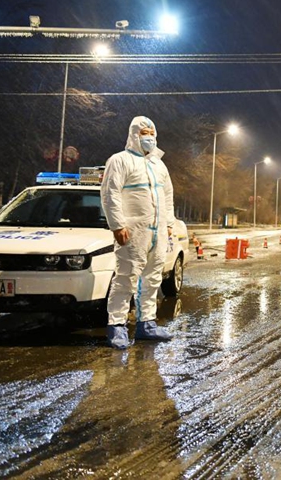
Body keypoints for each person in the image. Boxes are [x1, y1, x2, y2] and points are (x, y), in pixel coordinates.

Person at [101, 116, 176, 349]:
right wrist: (117, 225)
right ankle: (117, 325)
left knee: (152, 279)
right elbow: (110, 193)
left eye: (152, 133)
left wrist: (169, 224)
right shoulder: (120, 161)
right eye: (145, 133)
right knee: (126, 278)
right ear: (135, 134)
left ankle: (147, 323)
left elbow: (168, 196)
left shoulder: (158, 165)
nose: (150, 138)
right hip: (134, 232)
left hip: (157, 232)